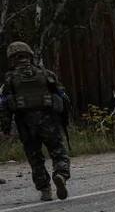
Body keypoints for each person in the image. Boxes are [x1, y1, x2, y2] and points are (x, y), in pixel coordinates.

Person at [0, 41, 71, 201]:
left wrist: (5, 127)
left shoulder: (9, 79)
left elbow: (4, 105)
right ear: (29, 55)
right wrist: (64, 120)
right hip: (48, 121)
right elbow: (62, 97)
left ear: (11, 59)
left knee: (35, 158)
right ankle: (60, 174)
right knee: (58, 152)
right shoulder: (46, 74)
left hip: (25, 123)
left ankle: (45, 190)